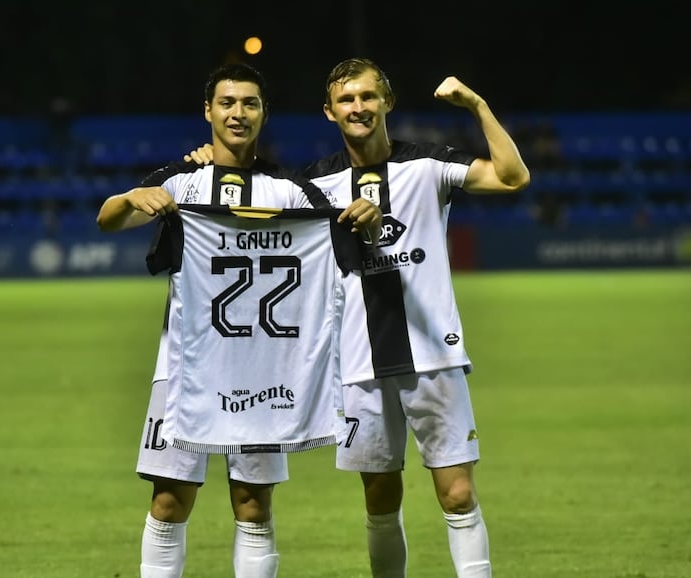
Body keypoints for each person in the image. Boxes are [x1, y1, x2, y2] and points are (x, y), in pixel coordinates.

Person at [186, 58, 530, 577]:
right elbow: (250, 213)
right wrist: (208, 164)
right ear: (330, 112)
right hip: (357, 365)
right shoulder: (313, 185)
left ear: (386, 102)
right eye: (347, 100)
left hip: (433, 354)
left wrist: (477, 106)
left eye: (369, 97)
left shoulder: (429, 164)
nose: (359, 107)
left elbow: (512, 177)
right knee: (380, 498)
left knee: (457, 494)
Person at [96, 62, 380, 578]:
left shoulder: (289, 189)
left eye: (249, 103)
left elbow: (344, 237)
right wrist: (130, 197)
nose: (238, 113)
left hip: (264, 375)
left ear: (263, 113)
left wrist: (367, 218)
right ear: (208, 111)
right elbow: (109, 219)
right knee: (169, 502)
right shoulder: (181, 181)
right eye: (227, 103)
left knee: (253, 506)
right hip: (185, 371)